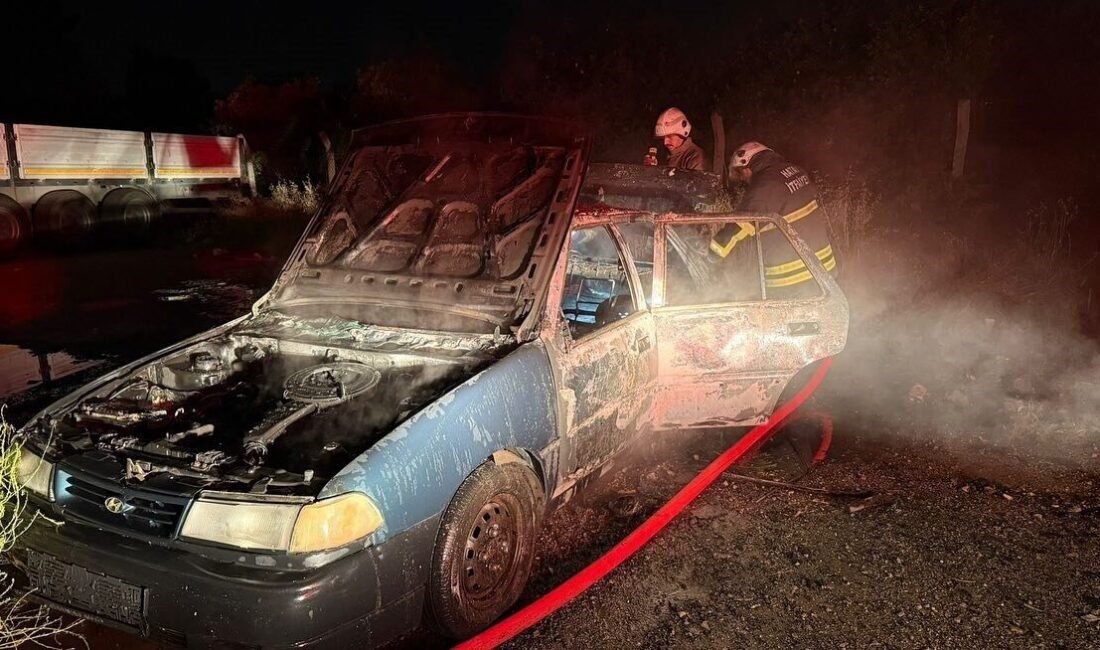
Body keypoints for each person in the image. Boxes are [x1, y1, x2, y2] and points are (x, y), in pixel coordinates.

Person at [710, 142, 837, 297]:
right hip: (823, 267)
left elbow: (742, 222)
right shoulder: (795, 171)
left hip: (792, 276)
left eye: (741, 174)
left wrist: (713, 254)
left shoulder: (766, 186)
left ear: (747, 167)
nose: (744, 180)